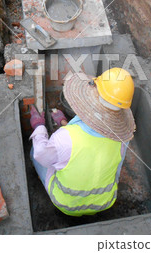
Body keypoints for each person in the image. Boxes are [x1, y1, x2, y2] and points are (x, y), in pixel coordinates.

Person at [29, 68, 136, 217]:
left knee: (35, 151)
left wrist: (39, 127)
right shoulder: (122, 138)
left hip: (67, 204)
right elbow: (92, 143)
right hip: (104, 202)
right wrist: (64, 122)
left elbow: (42, 155)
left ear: (93, 95)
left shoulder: (64, 137)